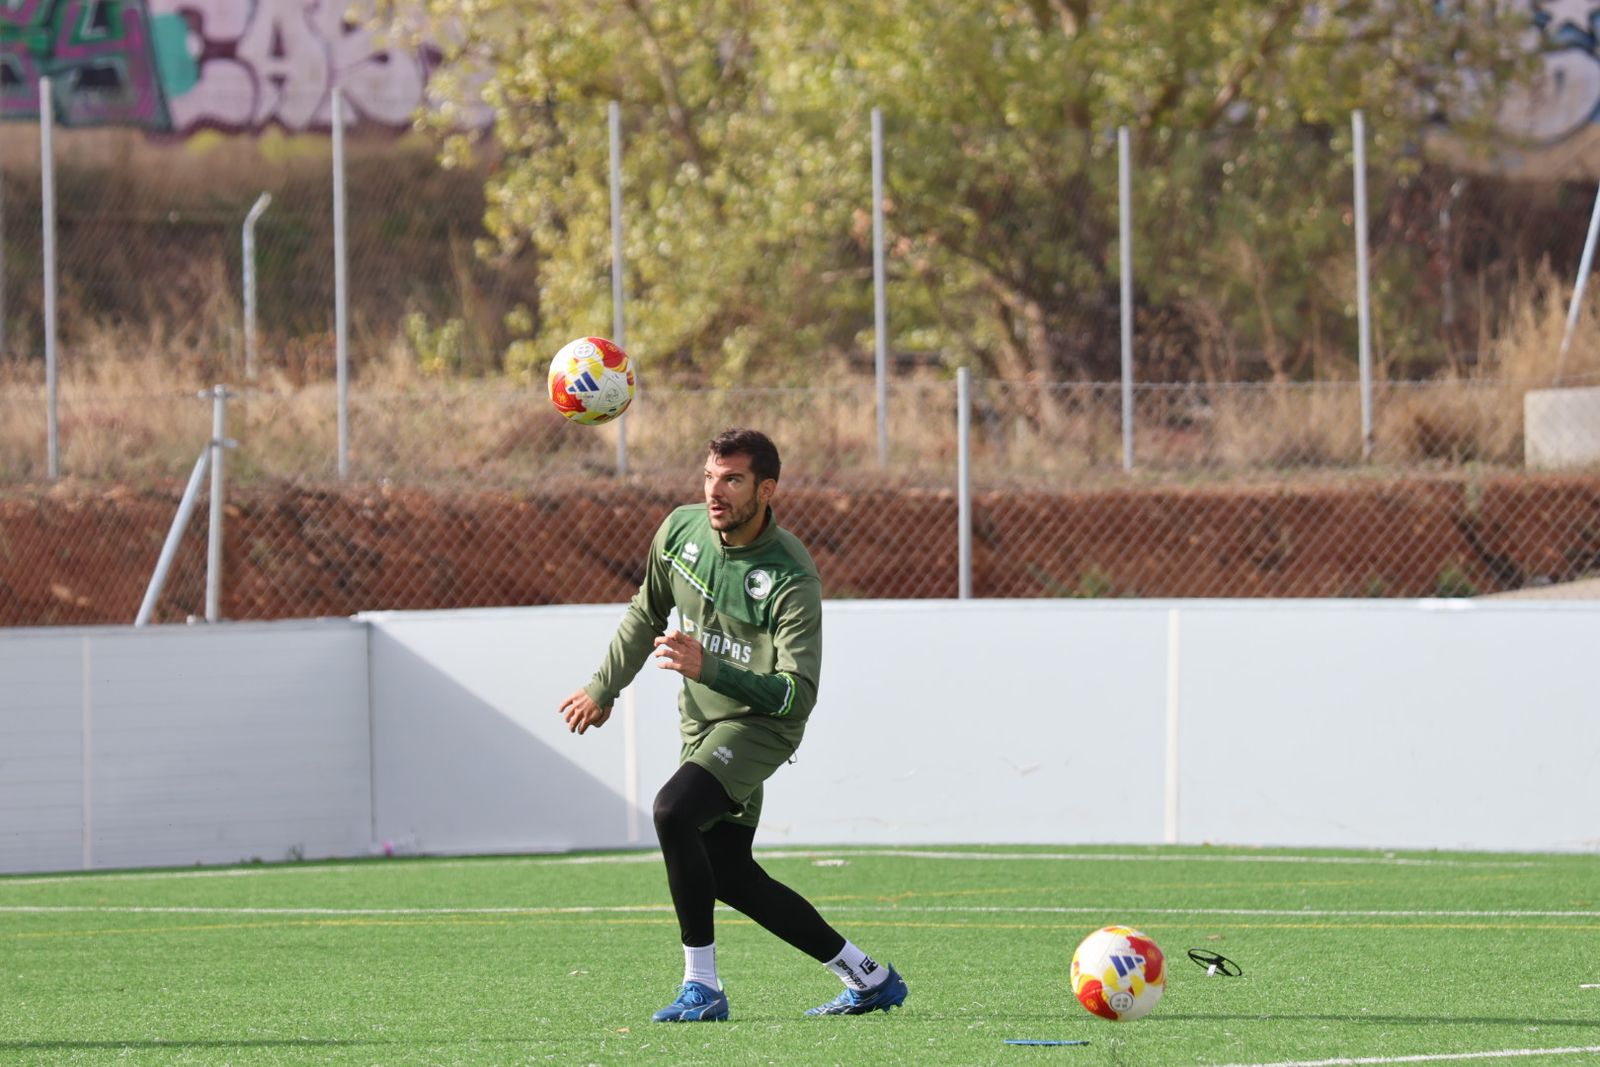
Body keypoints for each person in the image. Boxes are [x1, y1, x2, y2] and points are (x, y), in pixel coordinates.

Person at [558, 427, 909, 1023]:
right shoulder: (680, 532)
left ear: (766, 489)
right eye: (709, 477)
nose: (714, 492)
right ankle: (868, 976)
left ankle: (703, 987)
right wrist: (603, 687)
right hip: (702, 727)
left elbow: (797, 695)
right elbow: (647, 612)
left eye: (733, 480)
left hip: (762, 726)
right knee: (730, 873)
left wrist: (709, 666)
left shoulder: (791, 574)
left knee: (673, 811)